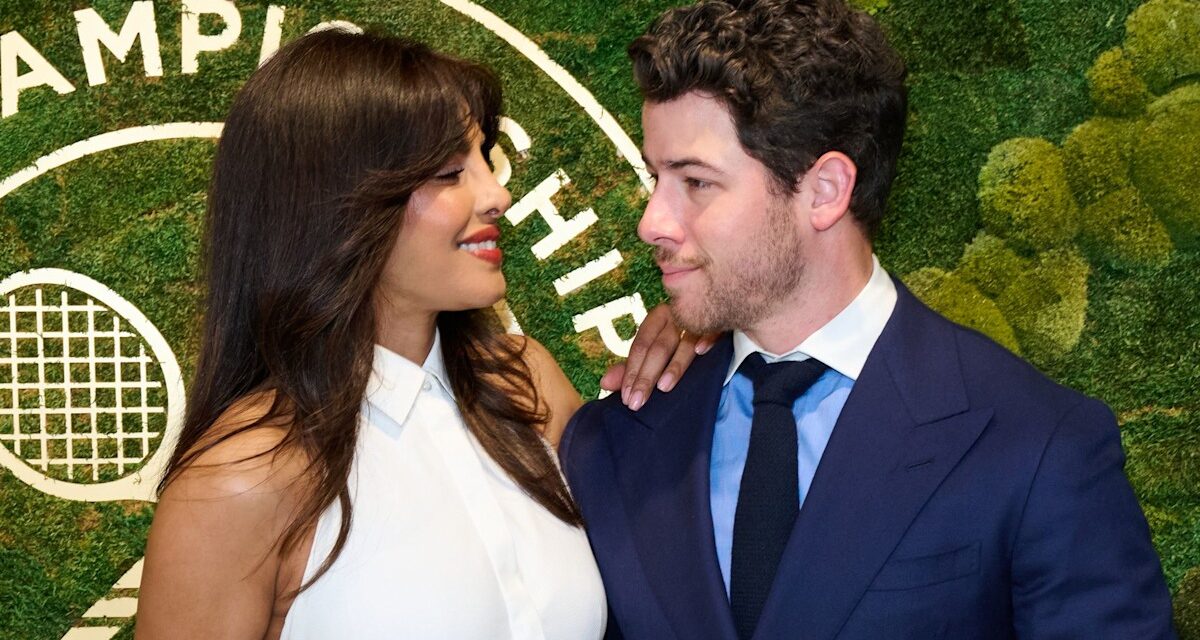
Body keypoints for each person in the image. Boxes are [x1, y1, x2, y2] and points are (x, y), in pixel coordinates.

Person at [559, 1, 1176, 638]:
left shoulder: (1038, 444)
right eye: (656, 177)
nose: (651, 222)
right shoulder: (613, 442)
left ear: (825, 190)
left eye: (695, 182)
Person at [135, 29, 701, 640]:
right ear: (333, 207)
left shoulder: (526, 383)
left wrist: (704, 348)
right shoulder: (238, 484)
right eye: (449, 170)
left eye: (486, 158)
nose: (496, 194)